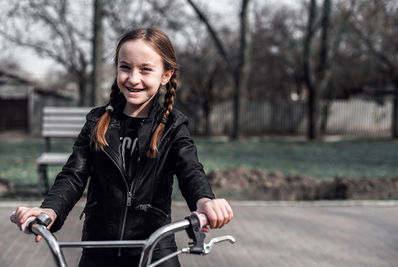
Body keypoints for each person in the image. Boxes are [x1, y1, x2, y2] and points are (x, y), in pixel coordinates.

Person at [12, 28, 233, 267]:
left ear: (166, 75)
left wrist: (205, 202)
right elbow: (73, 176)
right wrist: (48, 212)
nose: (133, 78)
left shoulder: (173, 126)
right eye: (125, 67)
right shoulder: (97, 122)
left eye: (145, 69)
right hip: (99, 246)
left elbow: (190, 170)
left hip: (155, 248)